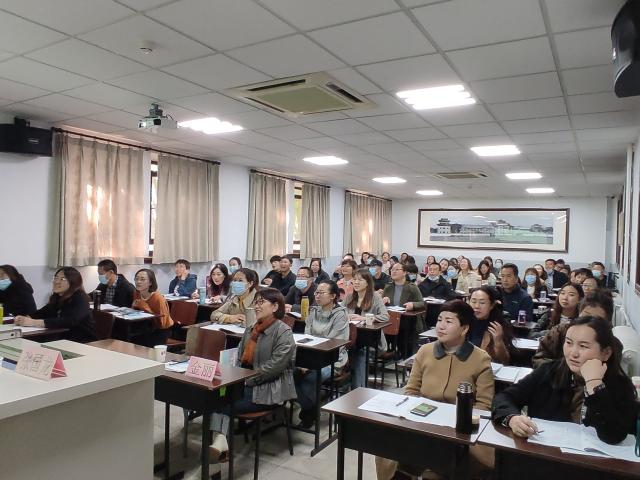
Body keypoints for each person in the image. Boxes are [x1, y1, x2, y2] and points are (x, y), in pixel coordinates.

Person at [375, 300, 494, 480]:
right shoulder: (425, 351)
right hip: (422, 421)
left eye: (449, 321)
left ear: (464, 329)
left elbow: (483, 406)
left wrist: (459, 422)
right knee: (386, 447)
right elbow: (411, 390)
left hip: (458, 431)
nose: (441, 326)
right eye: (439, 320)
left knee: (445, 465)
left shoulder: (480, 359)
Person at [492, 316, 637, 445]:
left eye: (583, 346)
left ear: (606, 353)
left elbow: (613, 436)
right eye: (569, 343)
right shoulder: (549, 371)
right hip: (546, 454)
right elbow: (504, 397)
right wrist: (512, 418)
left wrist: (594, 384)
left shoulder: (621, 385)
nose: (573, 353)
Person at [209, 288, 297, 461]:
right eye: (256, 302)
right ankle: (220, 443)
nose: (256, 306)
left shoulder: (284, 332)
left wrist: (245, 381)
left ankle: (219, 444)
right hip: (245, 381)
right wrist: (234, 376)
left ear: (275, 307)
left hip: (270, 387)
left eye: (261, 302)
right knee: (214, 396)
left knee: (224, 403)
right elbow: (239, 357)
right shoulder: (251, 329)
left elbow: (274, 368)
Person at [295, 280, 348, 427]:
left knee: (311, 377)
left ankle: (308, 413)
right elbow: (307, 336)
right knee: (291, 373)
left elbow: (333, 343)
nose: (317, 296)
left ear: (333, 296)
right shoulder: (313, 311)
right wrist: (307, 362)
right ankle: (311, 408)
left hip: (333, 359)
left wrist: (310, 365)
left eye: (321, 293)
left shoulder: (340, 315)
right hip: (310, 356)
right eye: (316, 292)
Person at [533, 289, 613, 368]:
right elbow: (538, 358)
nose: (589, 322)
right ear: (579, 314)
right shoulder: (560, 331)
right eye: (586, 316)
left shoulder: (610, 343)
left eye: (597, 320)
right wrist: (565, 368)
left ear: (608, 323)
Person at [15, 267, 96, 343]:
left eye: (62, 279)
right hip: (61, 338)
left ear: (73, 282)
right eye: (56, 278)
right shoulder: (57, 297)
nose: (56, 282)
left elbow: (71, 320)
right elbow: (44, 312)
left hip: (81, 340)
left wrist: (34, 322)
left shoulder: (80, 297)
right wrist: (27, 317)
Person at [344, 269, 389, 388]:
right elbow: (339, 312)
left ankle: (359, 389)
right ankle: (353, 386)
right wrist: (346, 316)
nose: (356, 282)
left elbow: (385, 317)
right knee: (352, 350)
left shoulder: (375, 297)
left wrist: (363, 318)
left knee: (359, 352)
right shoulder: (349, 297)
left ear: (368, 282)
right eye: (354, 279)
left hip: (371, 342)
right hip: (350, 339)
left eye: (360, 280)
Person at [469, 286, 516, 364]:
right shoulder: (463, 323)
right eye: (473, 302)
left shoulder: (497, 326)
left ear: (492, 305)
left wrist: (498, 341)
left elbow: (504, 360)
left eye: (482, 303)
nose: (476, 306)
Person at [132, 268, 174, 347]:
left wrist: (144, 307)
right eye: (136, 279)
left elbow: (162, 323)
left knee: (142, 342)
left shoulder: (157, 298)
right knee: (129, 337)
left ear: (150, 282)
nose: (138, 282)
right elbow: (135, 310)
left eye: (142, 279)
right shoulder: (136, 293)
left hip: (160, 330)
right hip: (145, 326)